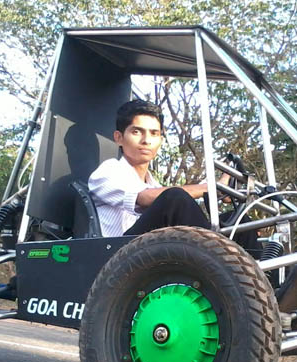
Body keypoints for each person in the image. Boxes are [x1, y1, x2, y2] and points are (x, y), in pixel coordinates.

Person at [88, 99, 259, 251]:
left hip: (152, 249)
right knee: (174, 198)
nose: (146, 140)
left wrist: (222, 191)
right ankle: (216, 261)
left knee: (239, 222)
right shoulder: (108, 171)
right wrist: (211, 188)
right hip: (118, 257)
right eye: (136, 132)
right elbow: (144, 198)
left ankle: (258, 276)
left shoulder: (153, 183)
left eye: (154, 133)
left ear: (161, 140)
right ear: (119, 138)